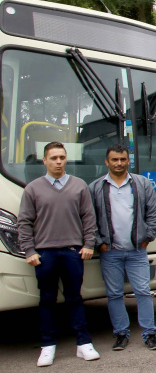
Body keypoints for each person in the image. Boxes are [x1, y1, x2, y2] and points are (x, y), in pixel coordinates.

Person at [18, 141, 100, 366]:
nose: (58, 161)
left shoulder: (79, 186)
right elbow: (24, 222)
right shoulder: (33, 188)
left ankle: (83, 344)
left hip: (73, 252)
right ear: (44, 160)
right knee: (47, 300)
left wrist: (89, 244)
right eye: (53, 158)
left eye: (62, 157)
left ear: (66, 159)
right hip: (44, 255)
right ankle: (47, 346)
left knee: (75, 298)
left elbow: (88, 218)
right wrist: (29, 250)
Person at [88, 144, 156, 351]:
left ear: (128, 160)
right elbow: (88, 218)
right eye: (114, 160)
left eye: (122, 159)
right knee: (113, 294)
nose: (119, 163)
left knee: (143, 292)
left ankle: (150, 334)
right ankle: (121, 334)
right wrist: (99, 242)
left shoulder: (141, 183)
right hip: (110, 252)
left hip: (137, 251)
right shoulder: (95, 187)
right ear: (107, 162)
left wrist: (148, 237)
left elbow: (153, 213)